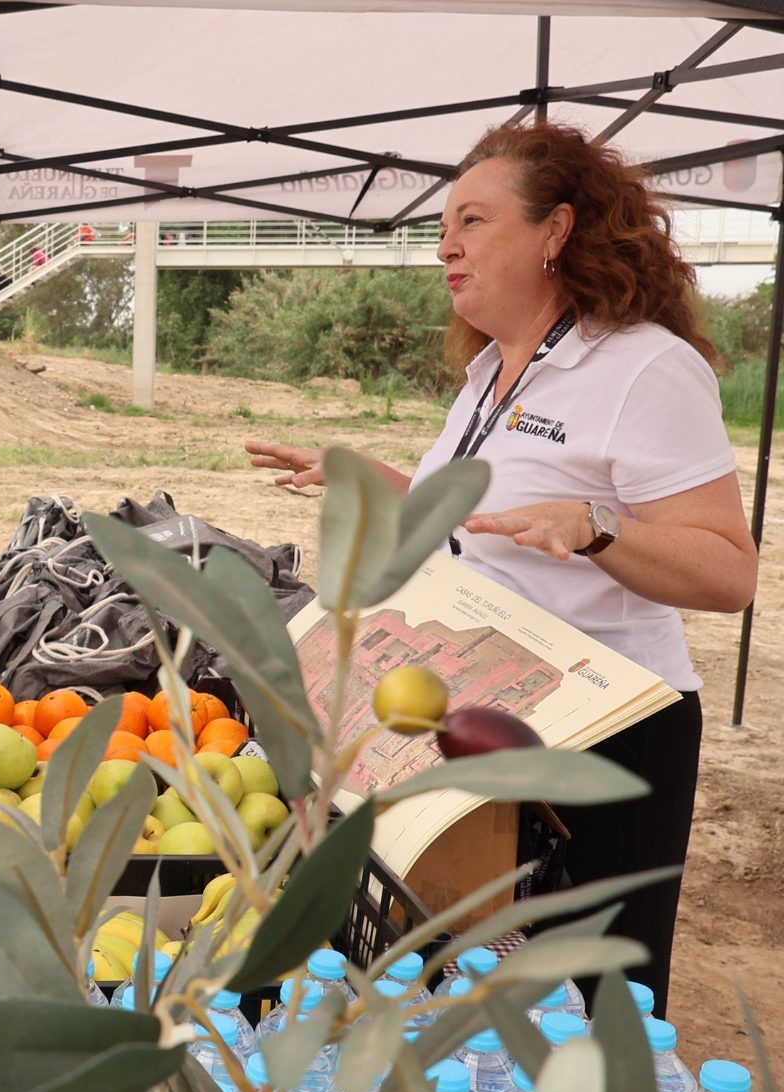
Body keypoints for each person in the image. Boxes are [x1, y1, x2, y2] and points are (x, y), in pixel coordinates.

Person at [244, 121, 757, 1016]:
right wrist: (369, 477)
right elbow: (484, 530)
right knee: (484, 1005)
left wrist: (597, 527)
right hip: (495, 714)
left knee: (590, 1012)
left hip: (608, 737)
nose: (446, 245)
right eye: (445, 224)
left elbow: (729, 573)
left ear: (555, 232)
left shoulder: (644, 366)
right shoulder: (489, 371)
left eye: (473, 221)